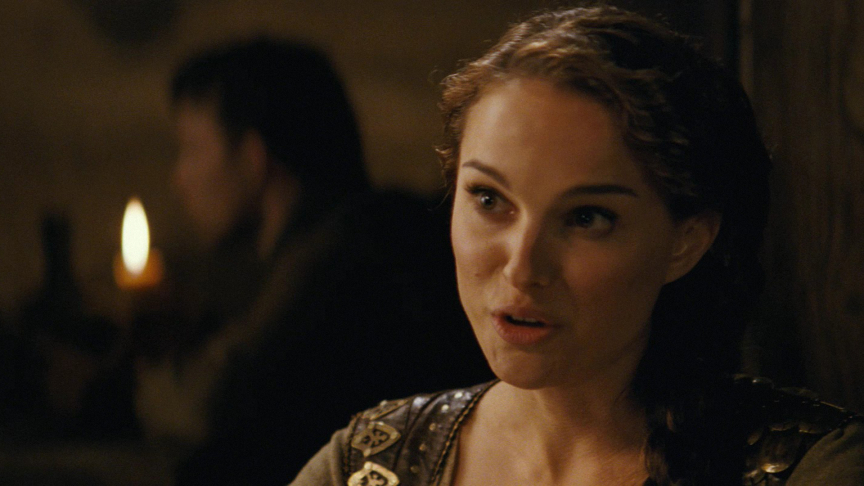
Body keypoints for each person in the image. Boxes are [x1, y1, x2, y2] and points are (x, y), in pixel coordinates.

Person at [290, 6, 864, 486]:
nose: (522, 267)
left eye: (587, 218)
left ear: (685, 242)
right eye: (489, 199)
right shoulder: (370, 464)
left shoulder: (812, 470)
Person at [133, 37, 490, 485]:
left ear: (254, 156)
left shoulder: (345, 250)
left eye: (192, 148)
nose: (180, 177)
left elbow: (206, 405)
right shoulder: (307, 248)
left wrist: (136, 377)